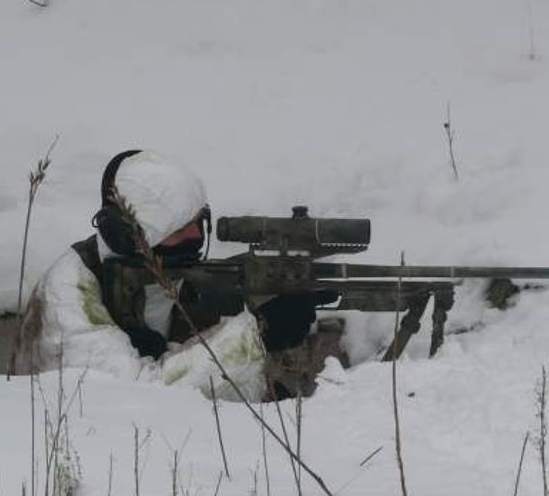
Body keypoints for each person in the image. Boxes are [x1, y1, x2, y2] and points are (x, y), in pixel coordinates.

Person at [18, 150, 324, 400]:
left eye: (197, 221)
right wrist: (258, 335)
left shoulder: (175, 272)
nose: (195, 236)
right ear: (126, 236)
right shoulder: (67, 295)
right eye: (178, 230)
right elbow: (140, 398)